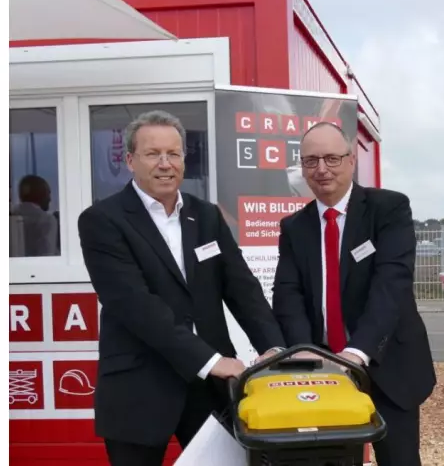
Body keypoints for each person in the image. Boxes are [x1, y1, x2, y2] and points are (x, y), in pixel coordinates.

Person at [77, 110, 287, 466]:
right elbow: (135, 305)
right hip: (139, 388)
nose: (165, 164)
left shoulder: (205, 216)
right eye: (152, 154)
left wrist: (275, 349)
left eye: (173, 154)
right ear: (130, 160)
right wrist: (212, 361)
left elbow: (242, 288)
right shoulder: (102, 221)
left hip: (210, 391)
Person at [271, 121, 436, 466]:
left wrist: (356, 352)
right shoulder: (294, 228)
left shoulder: (388, 209)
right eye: (311, 161)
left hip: (387, 363)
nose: (321, 169)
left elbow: (392, 283)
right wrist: (305, 355)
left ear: (350, 161)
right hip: (324, 373)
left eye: (331, 158)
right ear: (302, 167)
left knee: (400, 459)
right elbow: (288, 295)